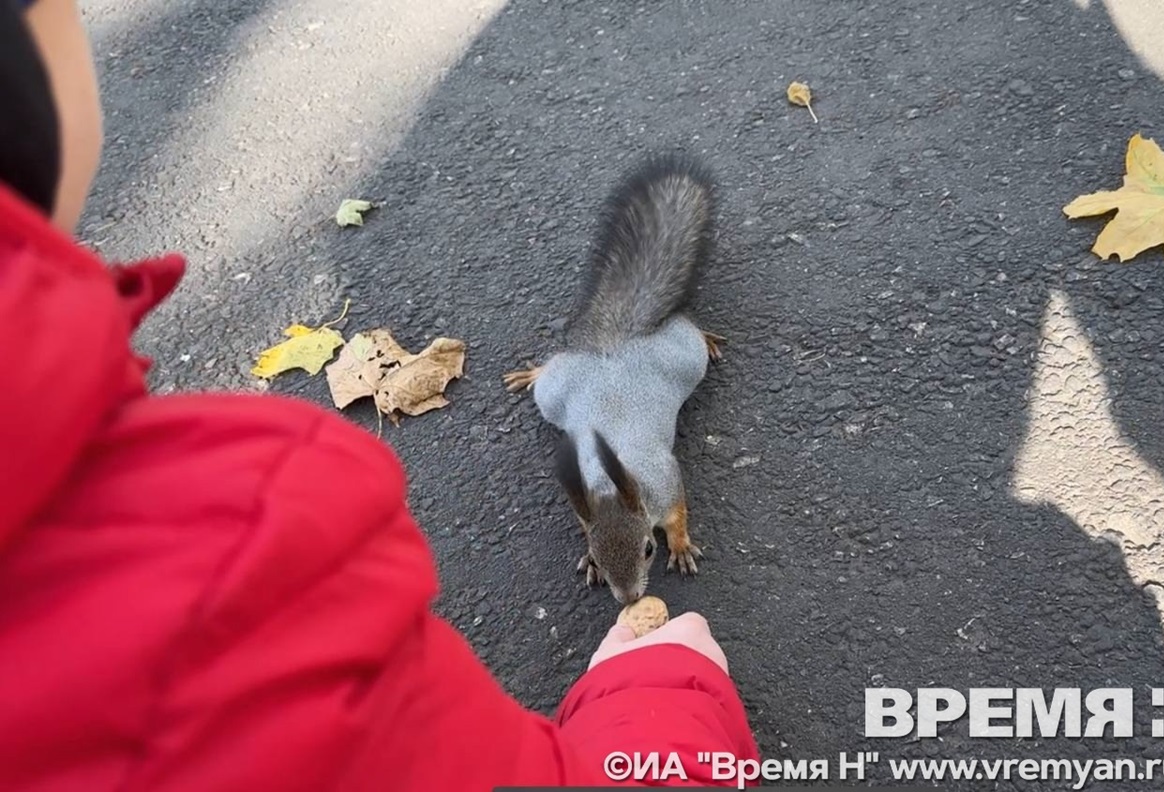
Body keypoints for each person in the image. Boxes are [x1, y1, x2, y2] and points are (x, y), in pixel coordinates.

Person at [0, 0, 761, 789]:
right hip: (595, 411)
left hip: (623, 369)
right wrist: (659, 697)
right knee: (565, 387)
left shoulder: (649, 481)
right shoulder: (242, 518)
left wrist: (671, 536)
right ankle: (568, 370)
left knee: (668, 354)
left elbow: (658, 506)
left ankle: (664, 338)